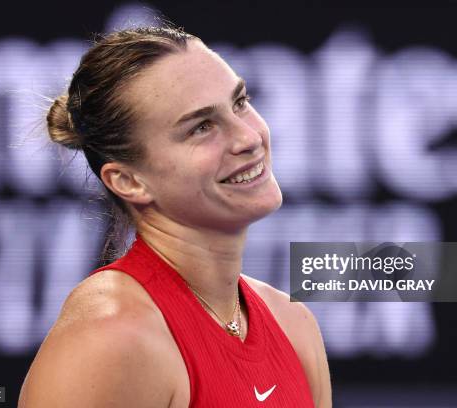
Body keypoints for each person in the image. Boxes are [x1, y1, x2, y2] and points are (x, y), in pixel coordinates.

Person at [18, 25, 332, 407]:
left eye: (240, 102)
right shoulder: (111, 335)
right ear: (129, 181)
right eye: (201, 127)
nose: (249, 138)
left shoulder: (292, 323)